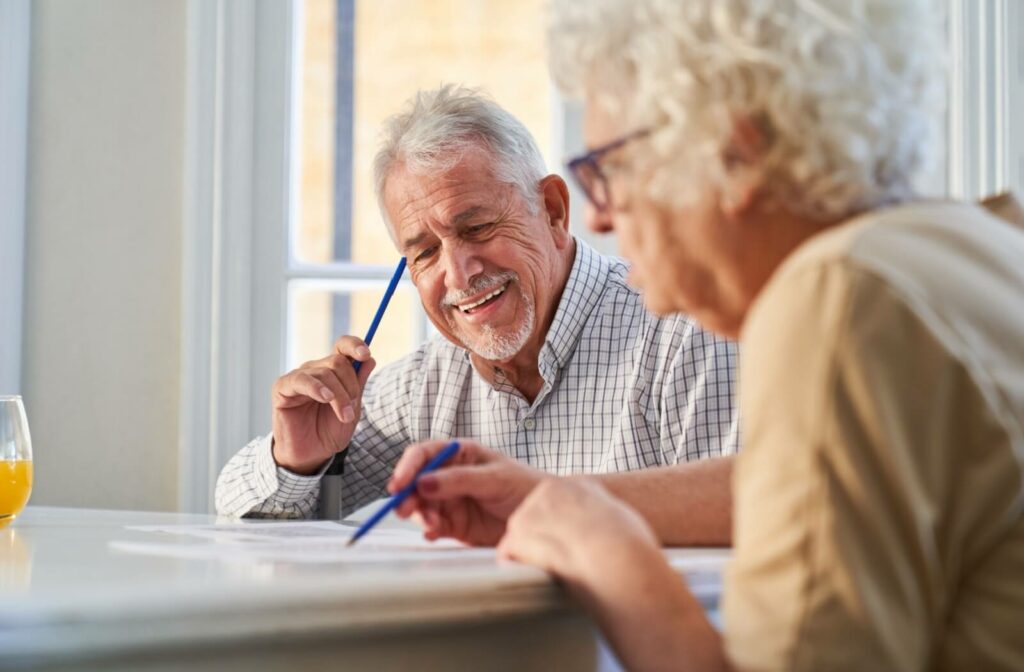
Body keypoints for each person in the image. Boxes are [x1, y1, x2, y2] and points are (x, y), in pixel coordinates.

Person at [390, 1, 1024, 669]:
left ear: (735, 155)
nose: (600, 221)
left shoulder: (835, 297)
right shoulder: (975, 245)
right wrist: (554, 499)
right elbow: (808, 494)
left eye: (611, 170)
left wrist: (608, 556)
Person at [215, 85, 738, 541]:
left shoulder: (685, 336)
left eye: (477, 228)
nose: (459, 274)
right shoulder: (428, 384)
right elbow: (235, 509)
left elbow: (750, 521)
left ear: (553, 210)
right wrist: (296, 460)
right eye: (424, 252)